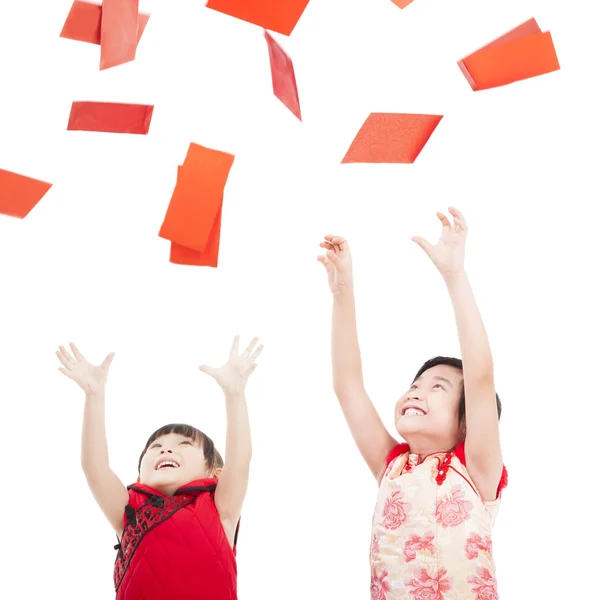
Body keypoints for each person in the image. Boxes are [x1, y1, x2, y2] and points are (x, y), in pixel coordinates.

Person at [317, 207, 507, 599]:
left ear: (466, 423)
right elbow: (348, 385)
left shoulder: (476, 469)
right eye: (416, 384)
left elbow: (481, 375)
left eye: (438, 387)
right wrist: (342, 294)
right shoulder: (393, 466)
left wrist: (454, 276)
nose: (416, 391)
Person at [56, 335, 263, 600]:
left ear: (215, 473)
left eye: (184, 444)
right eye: (155, 447)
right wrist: (94, 395)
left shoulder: (220, 508)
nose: (165, 449)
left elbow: (240, 459)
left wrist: (235, 395)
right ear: (140, 474)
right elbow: (94, 467)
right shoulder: (129, 510)